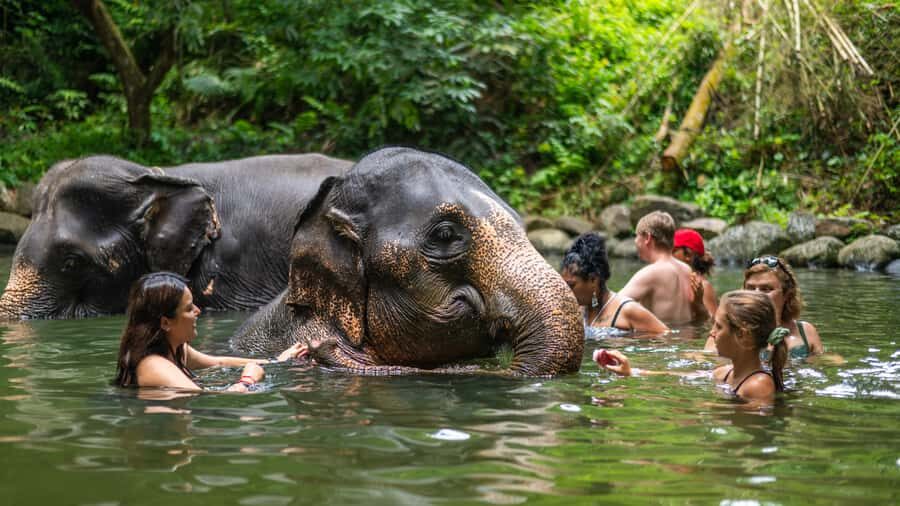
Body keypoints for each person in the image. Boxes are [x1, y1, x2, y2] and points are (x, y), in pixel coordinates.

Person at [115, 272, 308, 392]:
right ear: (166, 322)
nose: (198, 311)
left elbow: (218, 362)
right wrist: (248, 380)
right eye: (190, 308)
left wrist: (277, 361)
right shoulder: (154, 366)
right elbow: (207, 396)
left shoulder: (175, 348)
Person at [597, 290, 788, 404]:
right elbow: (682, 377)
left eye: (719, 326)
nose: (712, 333)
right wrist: (631, 372)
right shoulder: (726, 372)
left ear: (743, 336)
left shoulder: (758, 386)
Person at [705, 255, 824, 359]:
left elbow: (821, 364)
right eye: (751, 288)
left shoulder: (805, 331)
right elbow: (707, 363)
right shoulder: (726, 331)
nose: (756, 294)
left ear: (787, 294)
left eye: (766, 289)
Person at [561, 233, 668, 337]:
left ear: (593, 280)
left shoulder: (627, 310)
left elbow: (666, 336)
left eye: (571, 285)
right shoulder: (577, 311)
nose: (567, 291)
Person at [619, 211, 704, 325]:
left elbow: (611, 305)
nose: (635, 241)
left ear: (647, 238)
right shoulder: (687, 270)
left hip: (659, 342)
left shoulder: (653, 272)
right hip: (684, 339)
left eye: (636, 236)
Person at [672, 228, 717, 318]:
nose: (667, 254)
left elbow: (713, 324)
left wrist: (698, 303)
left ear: (688, 254)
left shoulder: (703, 286)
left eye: (673, 250)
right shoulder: (673, 281)